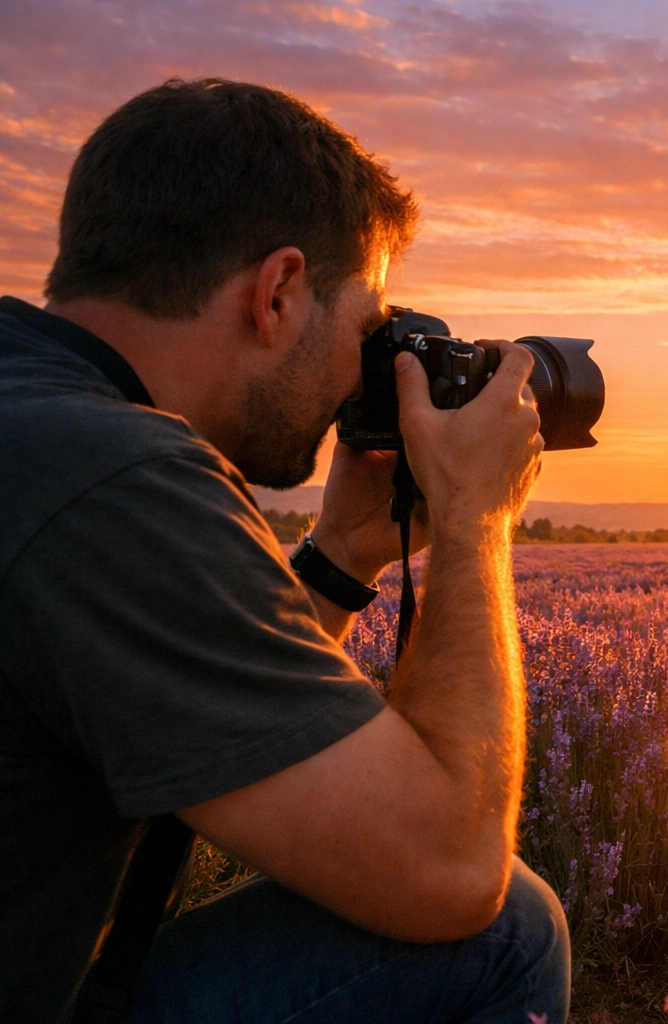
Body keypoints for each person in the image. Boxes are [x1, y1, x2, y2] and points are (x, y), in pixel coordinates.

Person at [0, 80, 569, 1022]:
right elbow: (452, 870)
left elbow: (192, 690)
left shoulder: (43, 416)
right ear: (278, 293)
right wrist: (474, 516)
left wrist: (345, 548)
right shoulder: (118, 476)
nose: (368, 368)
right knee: (506, 929)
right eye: (366, 324)